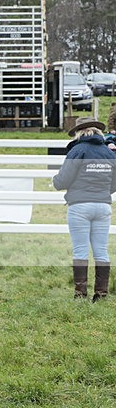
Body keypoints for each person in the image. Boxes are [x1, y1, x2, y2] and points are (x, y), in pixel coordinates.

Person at [52, 117, 116, 301]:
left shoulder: (77, 150)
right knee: (101, 250)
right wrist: (102, 191)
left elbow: (64, 179)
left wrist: (55, 182)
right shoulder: (108, 153)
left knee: (80, 250)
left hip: (80, 205)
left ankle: (80, 294)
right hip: (103, 206)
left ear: (79, 132)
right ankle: (101, 294)